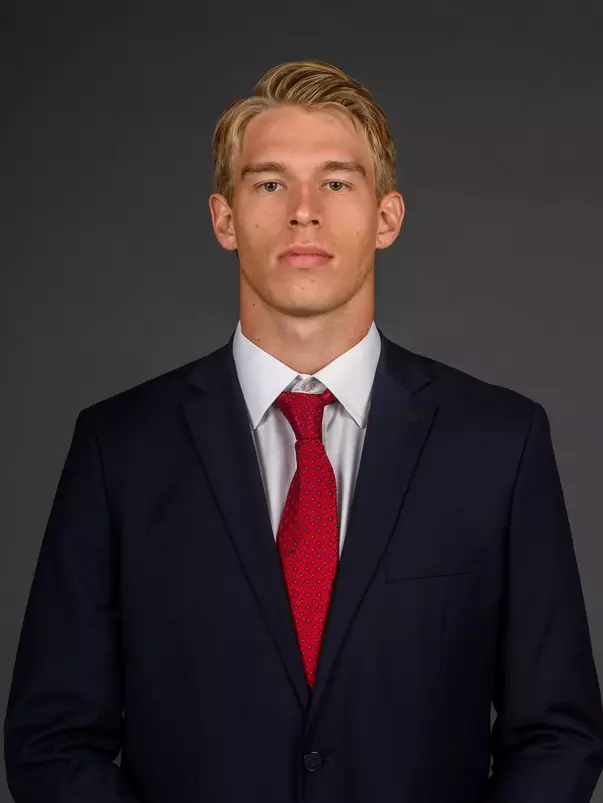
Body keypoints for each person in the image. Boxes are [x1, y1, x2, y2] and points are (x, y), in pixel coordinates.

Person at [4, 59, 603, 803]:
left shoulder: (500, 443)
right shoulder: (118, 448)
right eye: (269, 183)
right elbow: (52, 739)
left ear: (386, 216)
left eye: (337, 182)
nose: (303, 212)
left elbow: (557, 734)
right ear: (224, 219)